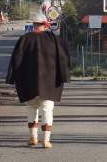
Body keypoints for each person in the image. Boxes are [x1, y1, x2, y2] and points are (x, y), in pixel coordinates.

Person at [6, 12, 70, 149]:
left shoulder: (24, 39)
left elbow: (16, 60)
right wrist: (64, 75)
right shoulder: (54, 40)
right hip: (49, 83)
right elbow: (63, 58)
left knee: (31, 108)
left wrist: (12, 78)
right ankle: (46, 140)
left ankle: (33, 137)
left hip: (29, 82)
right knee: (47, 110)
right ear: (45, 24)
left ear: (33, 24)